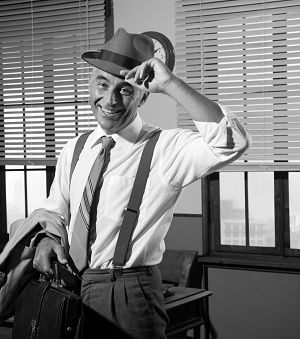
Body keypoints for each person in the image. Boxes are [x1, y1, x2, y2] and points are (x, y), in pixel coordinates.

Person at [29, 28, 251, 338]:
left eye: (125, 89)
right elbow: (54, 211)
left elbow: (232, 142)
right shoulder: (75, 148)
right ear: (89, 84)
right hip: (70, 287)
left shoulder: (164, 148)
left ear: (144, 94)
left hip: (127, 293)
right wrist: (45, 238)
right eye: (102, 84)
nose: (110, 99)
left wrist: (171, 84)